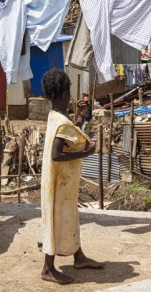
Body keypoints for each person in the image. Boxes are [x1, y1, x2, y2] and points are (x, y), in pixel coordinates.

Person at [40, 68, 104, 284]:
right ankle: (47, 268)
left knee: (70, 218)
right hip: (59, 183)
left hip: (60, 182)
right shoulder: (61, 122)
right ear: (66, 92)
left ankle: (79, 257)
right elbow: (56, 154)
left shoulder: (56, 117)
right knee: (57, 221)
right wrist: (85, 153)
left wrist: (79, 118)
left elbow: (68, 136)